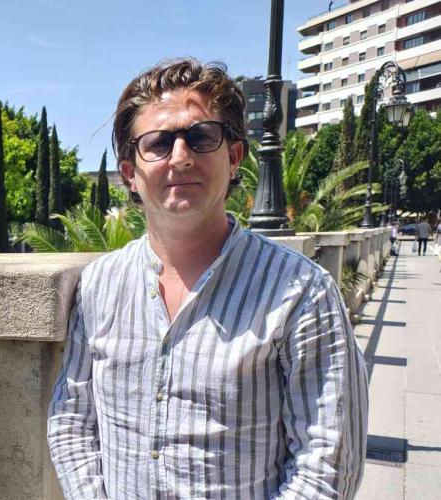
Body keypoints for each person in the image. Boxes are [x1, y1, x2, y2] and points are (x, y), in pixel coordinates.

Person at [47, 58, 368, 499]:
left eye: (201, 137)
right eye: (158, 143)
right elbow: (71, 420)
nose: (181, 157)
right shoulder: (99, 285)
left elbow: (328, 464)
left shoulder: (301, 293)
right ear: (130, 175)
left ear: (233, 158)